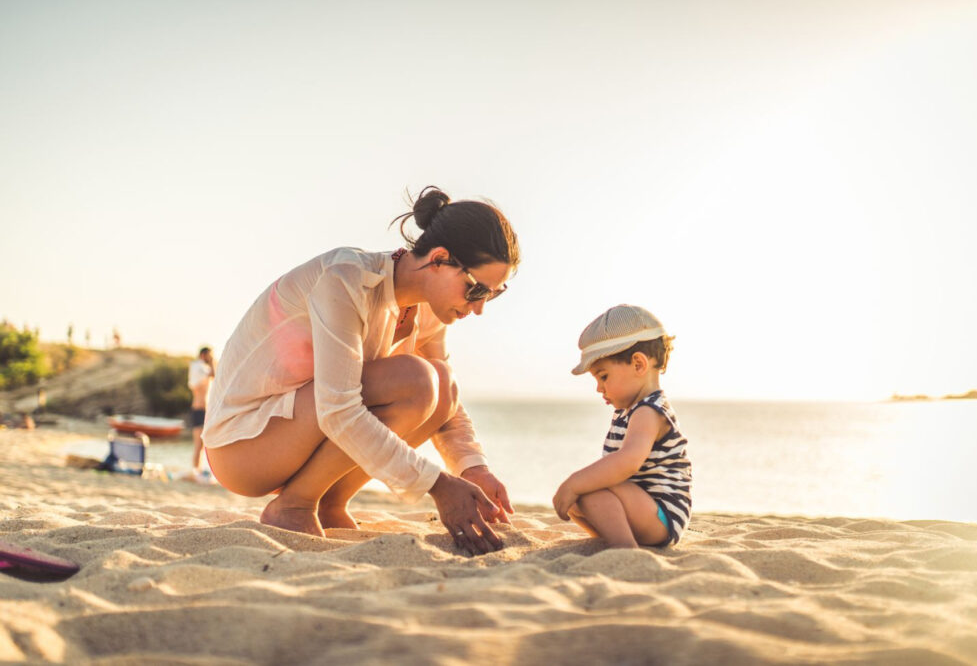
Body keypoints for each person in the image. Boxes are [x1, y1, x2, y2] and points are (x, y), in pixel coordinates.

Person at [202, 187, 519, 556]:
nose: (478, 308)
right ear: (439, 259)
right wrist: (438, 485)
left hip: (298, 433)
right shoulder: (347, 277)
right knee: (416, 380)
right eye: (476, 289)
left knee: (442, 384)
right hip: (242, 446)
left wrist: (471, 468)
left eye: (492, 295)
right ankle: (294, 505)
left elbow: (447, 403)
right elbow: (339, 409)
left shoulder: (431, 307)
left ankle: (328, 503)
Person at [553, 305, 692, 548]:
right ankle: (615, 538)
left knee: (591, 487)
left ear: (638, 365)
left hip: (662, 516)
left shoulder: (649, 411)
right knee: (581, 497)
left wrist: (574, 481)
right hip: (641, 510)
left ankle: (625, 548)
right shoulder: (629, 410)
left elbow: (628, 461)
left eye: (603, 376)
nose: (599, 388)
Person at [187, 346, 215, 480]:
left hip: (204, 410)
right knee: (198, 443)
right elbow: (213, 373)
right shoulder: (199, 368)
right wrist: (211, 361)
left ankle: (198, 470)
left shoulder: (202, 369)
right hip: (198, 409)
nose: (211, 358)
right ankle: (195, 471)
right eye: (209, 356)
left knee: (203, 444)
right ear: (204, 355)